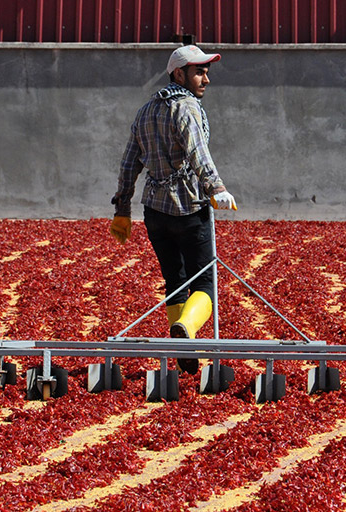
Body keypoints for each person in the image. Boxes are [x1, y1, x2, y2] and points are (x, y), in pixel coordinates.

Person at [109, 45, 238, 374]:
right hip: (190, 208)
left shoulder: (146, 111)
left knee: (175, 281)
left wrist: (122, 208)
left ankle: (183, 350)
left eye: (206, 72)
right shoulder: (186, 107)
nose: (206, 79)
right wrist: (216, 188)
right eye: (199, 72)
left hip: (155, 212)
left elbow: (129, 163)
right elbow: (197, 151)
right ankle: (187, 329)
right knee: (205, 284)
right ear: (179, 74)